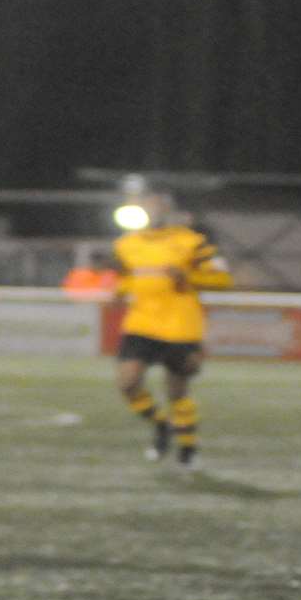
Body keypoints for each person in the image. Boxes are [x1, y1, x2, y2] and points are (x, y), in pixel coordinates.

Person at [110, 197, 232, 470]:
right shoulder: (126, 245)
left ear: (168, 211)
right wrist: (119, 291)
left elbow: (223, 279)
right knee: (127, 383)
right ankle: (161, 425)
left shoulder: (192, 242)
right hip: (141, 324)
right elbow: (126, 277)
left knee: (177, 391)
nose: (151, 211)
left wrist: (188, 278)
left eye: (156, 206)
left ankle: (188, 448)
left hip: (180, 327)